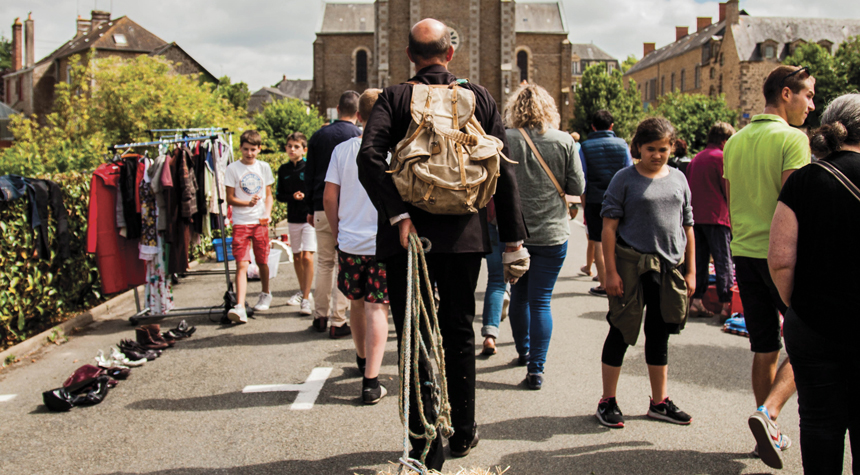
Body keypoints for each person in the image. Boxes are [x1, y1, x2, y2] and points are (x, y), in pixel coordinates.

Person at [357, 18, 528, 471]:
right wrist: (512, 239)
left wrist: (399, 213)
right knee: (457, 328)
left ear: (409, 55)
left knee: (414, 332)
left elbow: (368, 157)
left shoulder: (395, 97)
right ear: (450, 54)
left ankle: (422, 442)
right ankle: (464, 430)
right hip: (465, 234)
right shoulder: (480, 97)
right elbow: (504, 169)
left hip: (407, 238)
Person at [723, 64, 815, 469]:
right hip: (782, 256)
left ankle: (765, 427)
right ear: (785, 94)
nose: (812, 105)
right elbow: (800, 204)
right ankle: (771, 414)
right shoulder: (794, 139)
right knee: (811, 337)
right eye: (808, 95)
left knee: (763, 345)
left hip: (742, 250)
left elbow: (730, 199)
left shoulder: (735, 141)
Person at [769, 93, 860, 474]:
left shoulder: (805, 180)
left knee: (821, 422)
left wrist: (798, 306)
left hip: (814, 322)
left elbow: (781, 259)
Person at [596, 117, 695, 429]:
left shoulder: (679, 178)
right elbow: (608, 229)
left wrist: (691, 271)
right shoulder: (624, 179)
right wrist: (609, 272)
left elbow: (688, 227)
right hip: (630, 265)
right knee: (622, 331)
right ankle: (607, 400)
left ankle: (659, 402)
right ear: (638, 146)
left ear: (671, 147)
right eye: (651, 148)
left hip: (669, 268)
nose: (657, 154)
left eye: (663, 149)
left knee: (660, 331)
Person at [504, 84, 584, 389]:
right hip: (552, 233)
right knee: (541, 301)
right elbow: (576, 187)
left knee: (519, 297)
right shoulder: (564, 141)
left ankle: (523, 351)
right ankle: (536, 369)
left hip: (515, 234)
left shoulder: (506, 140)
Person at [323, 89, 390, 405]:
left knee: (357, 302)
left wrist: (338, 235)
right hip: (383, 243)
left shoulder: (342, 151)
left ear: (359, 116)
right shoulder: (394, 152)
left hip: (350, 242)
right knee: (378, 306)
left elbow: (329, 197)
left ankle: (362, 359)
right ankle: (371, 382)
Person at [305, 91, 362, 337]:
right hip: (348, 209)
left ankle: (319, 316)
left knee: (324, 263)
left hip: (320, 206)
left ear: (337, 109)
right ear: (358, 114)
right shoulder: (359, 137)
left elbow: (309, 175)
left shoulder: (318, 135)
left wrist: (310, 208)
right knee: (343, 264)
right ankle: (338, 320)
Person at [579, 109, 633, 297]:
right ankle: (622, 280)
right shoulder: (622, 145)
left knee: (598, 240)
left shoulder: (584, 147)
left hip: (595, 199)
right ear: (612, 126)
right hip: (620, 199)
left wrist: (584, 205)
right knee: (620, 239)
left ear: (593, 126)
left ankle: (604, 283)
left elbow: (582, 178)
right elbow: (629, 171)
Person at [686, 122, 735, 319]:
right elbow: (728, 189)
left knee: (699, 261)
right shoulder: (722, 158)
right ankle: (725, 304)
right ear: (724, 140)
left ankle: (696, 301)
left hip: (696, 217)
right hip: (717, 217)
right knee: (723, 261)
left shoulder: (696, 158)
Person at [225, 130, 275, 323]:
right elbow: (229, 198)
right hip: (241, 222)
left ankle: (265, 292)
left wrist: (267, 213)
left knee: (262, 260)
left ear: (259, 149)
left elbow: (268, 194)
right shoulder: (232, 169)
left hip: (259, 222)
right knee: (242, 263)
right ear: (240, 148)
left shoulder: (264, 167)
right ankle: (239, 305)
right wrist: (247, 203)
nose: (249, 153)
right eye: (246, 149)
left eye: (253, 149)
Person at [276, 132, 315, 316]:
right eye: (289, 146)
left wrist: (305, 197)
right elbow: (279, 195)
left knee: (307, 257)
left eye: (296, 146)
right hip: (292, 219)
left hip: (308, 217)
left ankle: (306, 299)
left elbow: (315, 190)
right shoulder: (283, 170)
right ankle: (303, 291)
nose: (292, 149)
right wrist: (292, 197)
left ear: (304, 149)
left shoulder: (309, 167)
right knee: (297, 257)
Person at [479, 199, 508, 357]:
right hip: (515, 220)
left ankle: (490, 336)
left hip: (490, 215)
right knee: (526, 287)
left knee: (496, 280)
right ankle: (525, 342)